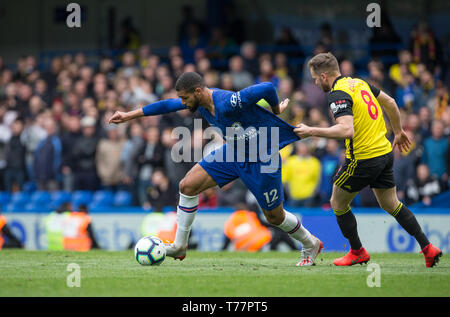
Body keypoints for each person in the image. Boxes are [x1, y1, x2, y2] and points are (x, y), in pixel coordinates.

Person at [109, 71, 323, 266]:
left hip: (263, 159)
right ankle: (179, 246)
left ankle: (310, 242)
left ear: (198, 91)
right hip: (233, 152)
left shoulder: (228, 102)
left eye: (185, 98)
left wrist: (276, 112)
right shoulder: (199, 102)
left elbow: (267, 87)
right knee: (187, 185)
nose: (182, 103)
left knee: (274, 217)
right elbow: (165, 105)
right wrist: (128, 115)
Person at [294, 52, 442, 268]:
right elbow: (390, 102)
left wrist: (311, 130)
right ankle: (428, 247)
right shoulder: (359, 83)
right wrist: (398, 131)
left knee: (337, 201)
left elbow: (346, 130)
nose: (315, 83)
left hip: (363, 158)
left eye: (316, 79)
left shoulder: (337, 93)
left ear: (324, 76)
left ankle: (357, 252)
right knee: (391, 203)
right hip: (384, 153)